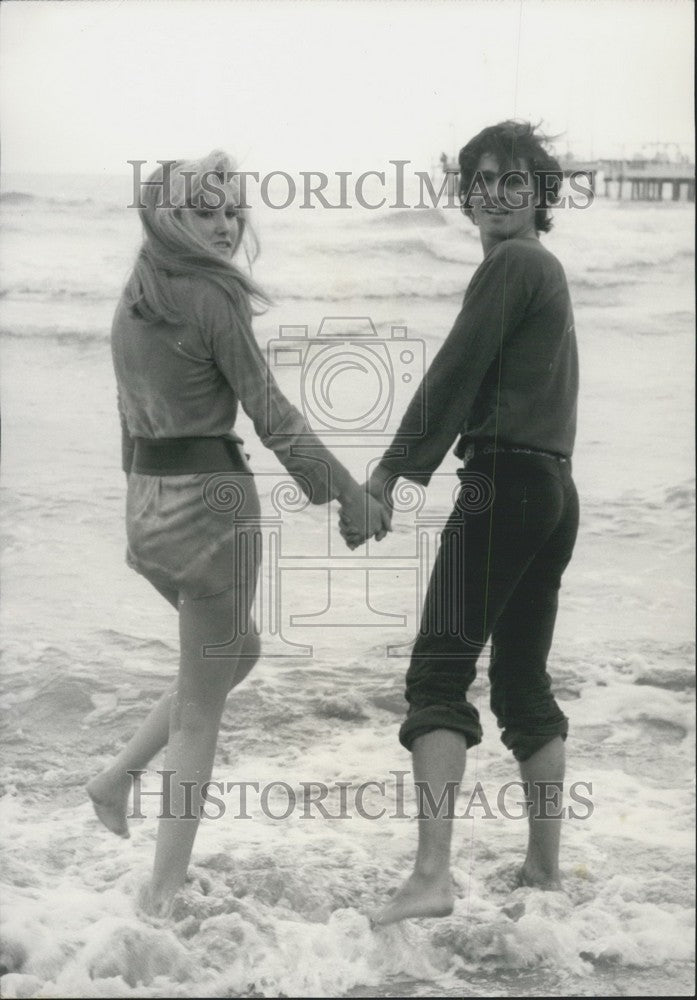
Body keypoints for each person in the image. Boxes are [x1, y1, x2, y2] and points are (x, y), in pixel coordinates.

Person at [87, 151, 389, 917]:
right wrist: (348, 497)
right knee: (201, 711)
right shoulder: (214, 294)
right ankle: (161, 895)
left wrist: (138, 517)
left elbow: (130, 418)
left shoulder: (136, 296)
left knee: (232, 656)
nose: (224, 225)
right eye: (207, 210)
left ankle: (116, 778)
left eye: (234, 212)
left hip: (150, 508)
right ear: (170, 215)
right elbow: (271, 413)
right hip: (211, 511)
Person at [341, 121, 579, 925]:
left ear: (540, 195)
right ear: (464, 194)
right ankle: (544, 875)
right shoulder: (540, 271)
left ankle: (430, 876)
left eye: (515, 182)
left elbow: (451, 374)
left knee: (438, 675)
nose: (495, 195)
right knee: (518, 682)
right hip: (550, 488)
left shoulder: (513, 263)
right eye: (481, 181)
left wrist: (386, 479)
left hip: (506, 483)